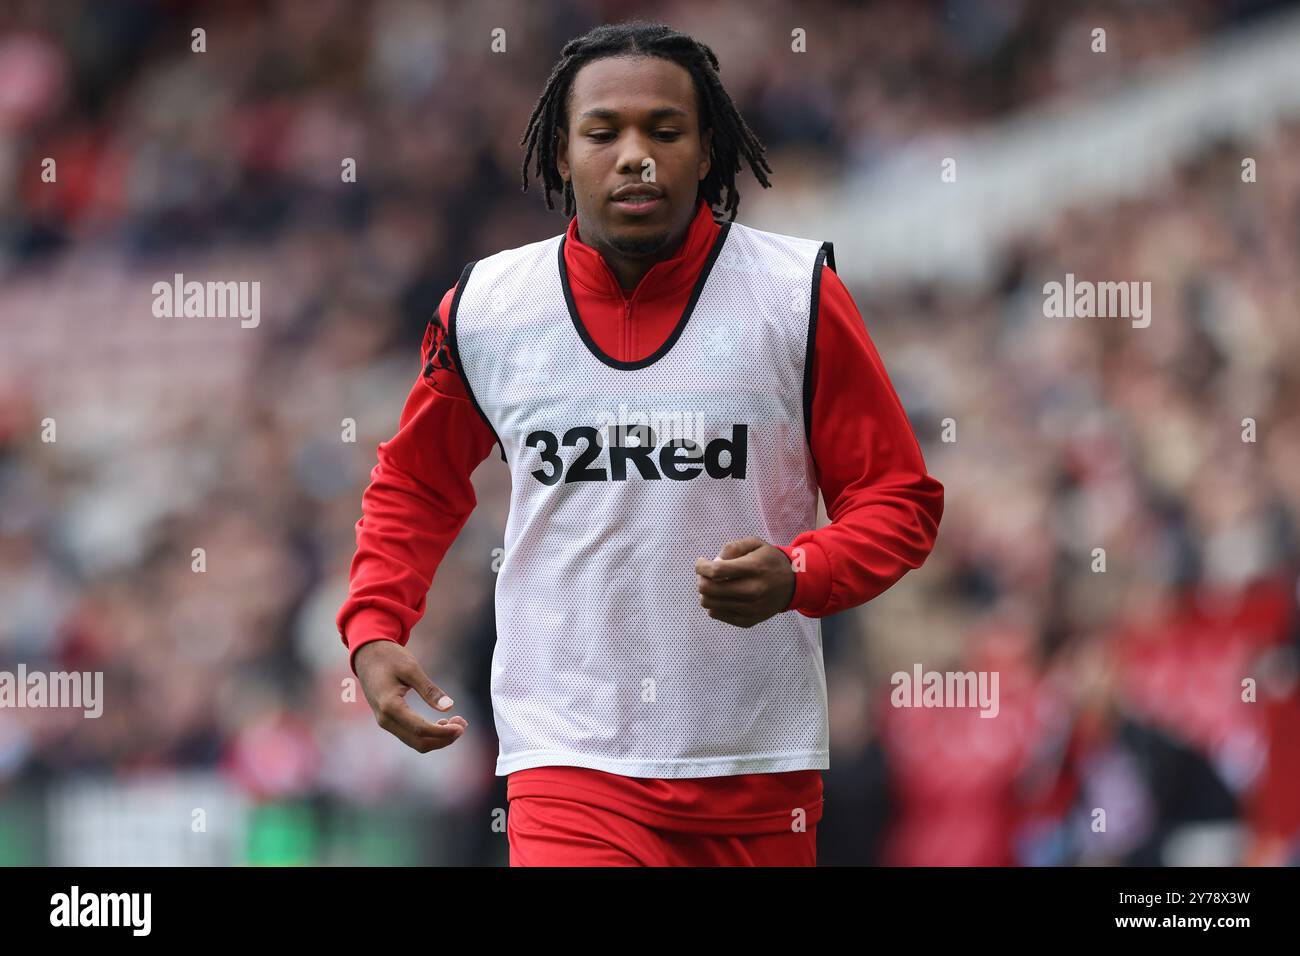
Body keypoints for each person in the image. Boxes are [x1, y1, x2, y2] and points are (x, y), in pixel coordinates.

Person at [336, 20, 944, 866]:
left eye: (665, 131)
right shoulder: (488, 309)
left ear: (705, 150)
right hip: (566, 764)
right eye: (603, 132)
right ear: (560, 153)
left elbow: (897, 499)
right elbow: (414, 482)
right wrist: (374, 625)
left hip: (755, 766)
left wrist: (803, 572)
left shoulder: (795, 295)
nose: (636, 155)